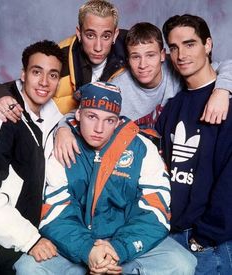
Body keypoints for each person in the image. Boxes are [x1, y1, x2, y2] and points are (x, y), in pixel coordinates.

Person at [15, 82, 197, 275]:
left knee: (182, 264)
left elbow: (156, 209)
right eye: (91, 117)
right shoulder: (62, 145)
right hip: (77, 242)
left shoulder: (141, 148)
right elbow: (54, 212)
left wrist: (118, 249)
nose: (99, 128)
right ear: (78, 115)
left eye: (109, 120)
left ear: (118, 122)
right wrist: (88, 250)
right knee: (28, 268)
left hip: (124, 241)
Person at [54, 22, 232, 167]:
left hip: (177, 158)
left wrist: (222, 90)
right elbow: (81, 112)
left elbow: (222, 66)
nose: (143, 65)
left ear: (163, 55)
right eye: (135, 57)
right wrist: (63, 129)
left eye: (150, 55)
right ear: (128, 60)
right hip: (136, 163)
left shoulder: (177, 66)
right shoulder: (117, 88)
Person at [155, 14, 232, 274]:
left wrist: (206, 236)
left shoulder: (226, 104)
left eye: (190, 44)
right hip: (171, 236)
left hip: (211, 243)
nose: (181, 55)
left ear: (208, 45)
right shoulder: (172, 107)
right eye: (174, 47)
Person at [0, 40, 65, 274]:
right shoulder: (4, 117)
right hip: (5, 247)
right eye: (37, 72)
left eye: (53, 75)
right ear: (23, 74)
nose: (44, 82)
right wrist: (30, 240)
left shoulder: (51, 119)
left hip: (23, 245)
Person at [0, 0, 127, 118]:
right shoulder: (60, 57)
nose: (98, 47)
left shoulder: (132, 49)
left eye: (106, 36)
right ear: (79, 33)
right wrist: (1, 96)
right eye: (90, 35)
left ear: (115, 34)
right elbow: (20, 85)